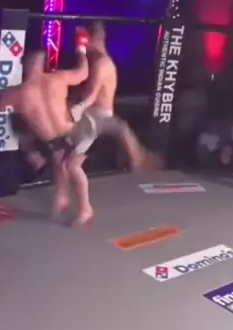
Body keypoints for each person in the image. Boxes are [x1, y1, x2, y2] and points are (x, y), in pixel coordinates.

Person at [0, 30, 90, 219]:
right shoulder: (58, 78)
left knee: (72, 167)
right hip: (68, 135)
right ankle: (62, 197)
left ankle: (85, 208)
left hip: (68, 135)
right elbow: (83, 72)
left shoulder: (18, 94)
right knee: (61, 160)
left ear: (23, 65)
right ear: (43, 62)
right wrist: (81, 48)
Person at [63, 21, 162, 224]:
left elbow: (90, 95)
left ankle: (84, 209)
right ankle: (64, 198)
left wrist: (77, 107)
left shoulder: (101, 64)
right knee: (64, 155)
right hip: (94, 116)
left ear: (92, 38)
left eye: (84, 39)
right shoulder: (97, 60)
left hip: (95, 118)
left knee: (71, 163)